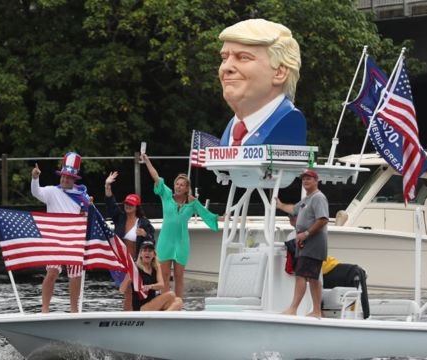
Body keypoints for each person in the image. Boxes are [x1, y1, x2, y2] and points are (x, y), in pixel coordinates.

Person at [140, 153, 219, 300]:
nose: (178, 186)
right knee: (163, 276)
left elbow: (206, 214)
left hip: (181, 241)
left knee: (179, 276)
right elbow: (156, 177)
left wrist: (220, 218)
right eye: (177, 184)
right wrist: (147, 162)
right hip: (166, 240)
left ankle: (178, 307)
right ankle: (165, 305)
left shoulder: (192, 202)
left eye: (182, 185)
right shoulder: (167, 195)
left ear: (186, 188)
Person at [218, 18, 306, 146]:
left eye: (243, 57)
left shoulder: (289, 121)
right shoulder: (232, 129)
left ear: (279, 72)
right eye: (224, 58)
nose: (226, 67)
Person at [30, 151, 89, 313]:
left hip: (74, 240)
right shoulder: (51, 191)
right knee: (52, 272)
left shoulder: (82, 197)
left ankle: (74, 310)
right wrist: (35, 178)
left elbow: (86, 218)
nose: (64, 179)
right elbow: (36, 192)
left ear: (74, 179)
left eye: (68, 177)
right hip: (54, 238)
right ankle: (44, 309)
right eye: (63, 176)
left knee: (75, 276)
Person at [276, 169, 329, 318]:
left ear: (316, 181)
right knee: (313, 277)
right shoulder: (306, 199)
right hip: (305, 243)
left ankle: (293, 309)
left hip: (313, 243)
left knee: (301, 275)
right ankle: (316, 311)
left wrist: (306, 234)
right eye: (304, 179)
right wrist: (280, 205)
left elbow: (323, 219)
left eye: (309, 179)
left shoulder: (318, 198)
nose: (305, 181)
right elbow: (293, 209)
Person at [104, 170, 156, 311]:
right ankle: (128, 316)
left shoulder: (143, 222)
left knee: (129, 291)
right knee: (128, 292)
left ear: (136, 207)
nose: (128, 206)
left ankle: (130, 316)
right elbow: (110, 204)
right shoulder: (120, 218)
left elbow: (152, 241)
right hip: (120, 260)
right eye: (127, 203)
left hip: (135, 262)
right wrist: (107, 186)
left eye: (131, 204)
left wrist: (145, 234)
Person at [119, 241, 183, 311]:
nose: (147, 253)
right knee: (171, 294)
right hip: (141, 307)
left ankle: (165, 316)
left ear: (154, 254)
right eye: (145, 250)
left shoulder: (156, 268)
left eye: (150, 251)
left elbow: (161, 285)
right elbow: (121, 290)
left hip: (153, 303)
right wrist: (127, 280)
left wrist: (150, 286)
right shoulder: (135, 268)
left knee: (179, 301)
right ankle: (165, 316)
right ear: (140, 254)